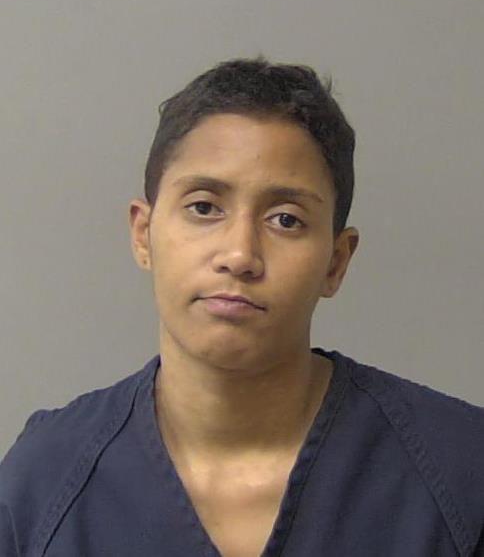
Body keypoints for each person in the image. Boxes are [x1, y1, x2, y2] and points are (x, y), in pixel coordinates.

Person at [1, 56, 483, 557]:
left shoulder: (462, 473)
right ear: (143, 234)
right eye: (204, 207)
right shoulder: (44, 480)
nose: (239, 255)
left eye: (286, 219)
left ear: (336, 262)